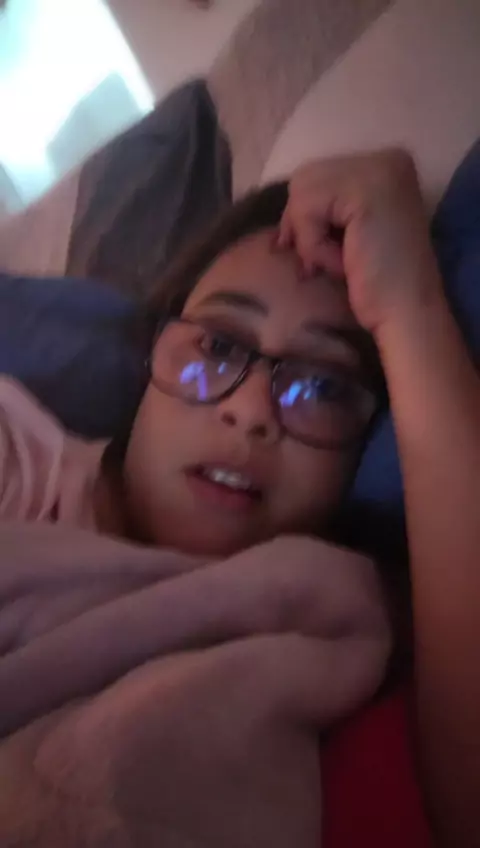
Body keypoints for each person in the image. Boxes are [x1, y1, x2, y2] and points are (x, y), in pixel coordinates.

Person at [0, 148, 478, 846]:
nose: (250, 412)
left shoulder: (355, 617)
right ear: (151, 354)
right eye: (219, 347)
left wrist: (411, 307)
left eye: (322, 386)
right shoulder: (16, 457)